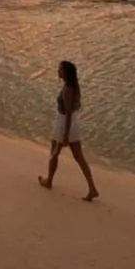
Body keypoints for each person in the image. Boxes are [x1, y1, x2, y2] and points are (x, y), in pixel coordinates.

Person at [38, 59, 99, 200]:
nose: (58, 71)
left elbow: (68, 113)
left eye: (60, 69)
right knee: (79, 158)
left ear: (65, 72)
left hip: (64, 124)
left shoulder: (68, 90)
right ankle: (92, 188)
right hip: (72, 125)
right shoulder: (72, 86)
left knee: (54, 153)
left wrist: (65, 135)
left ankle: (49, 181)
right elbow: (74, 110)